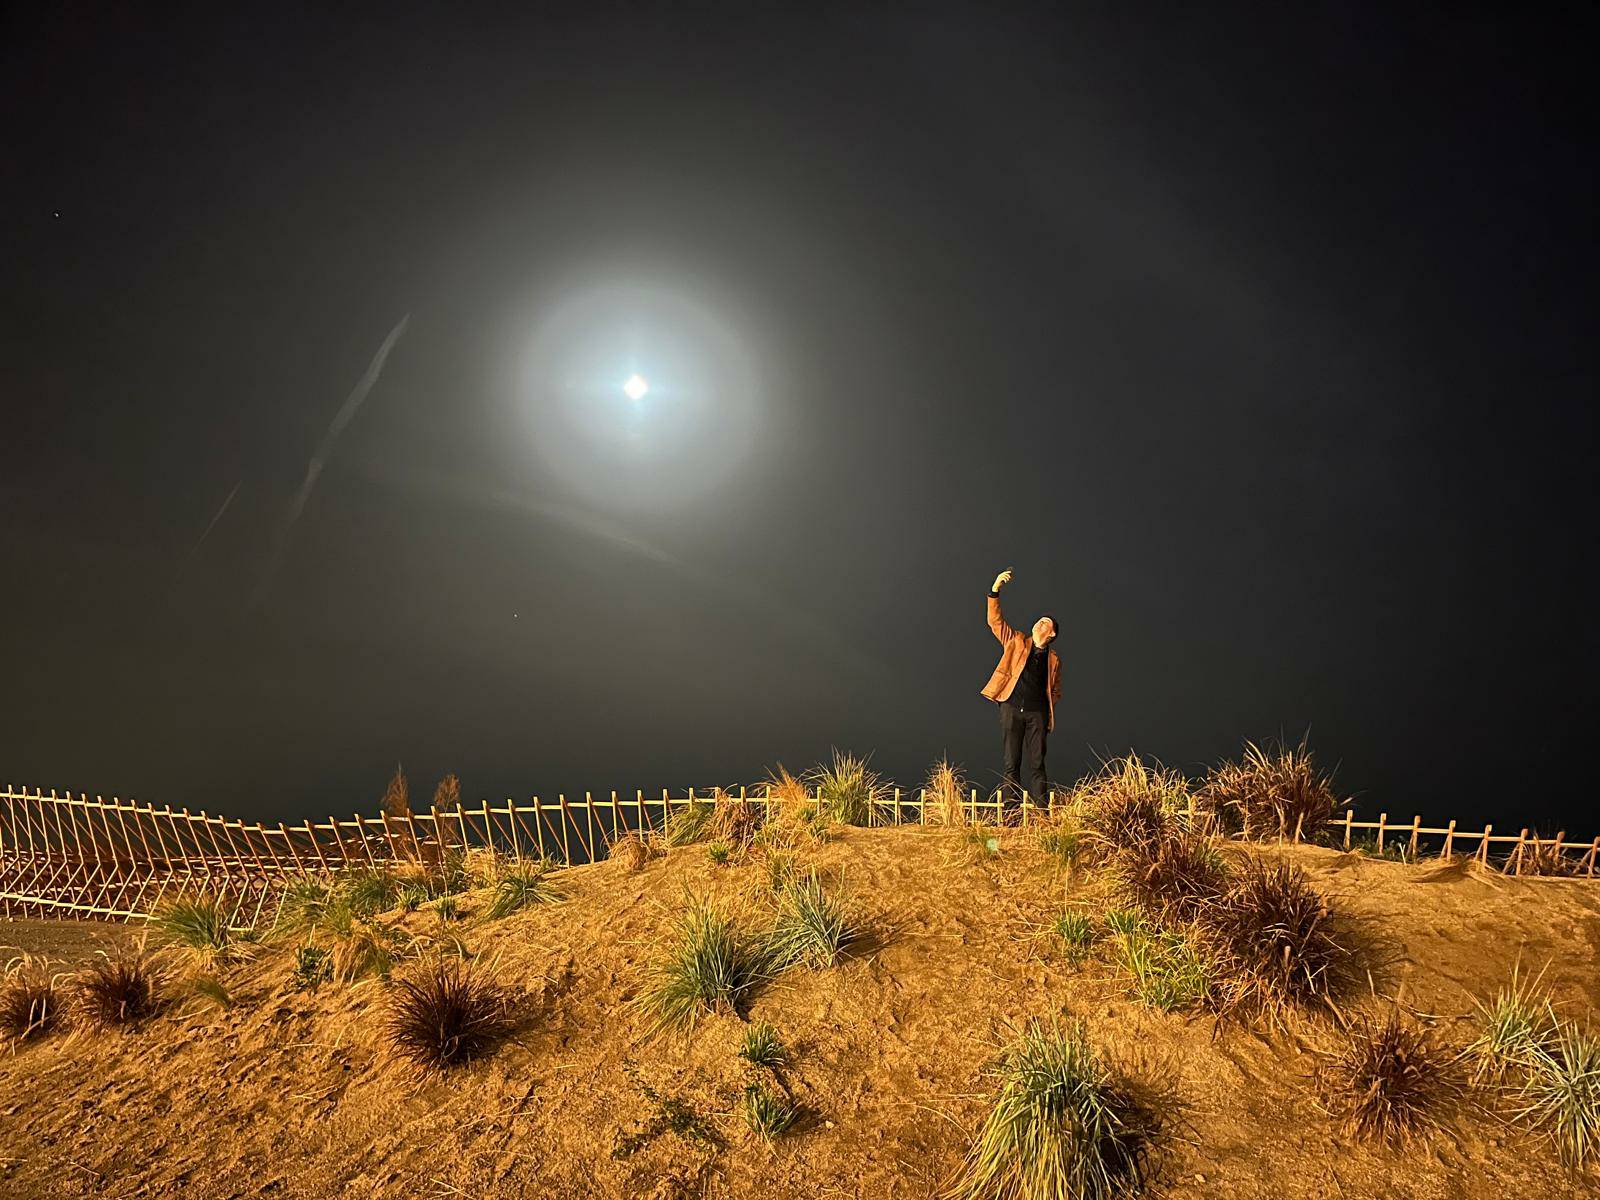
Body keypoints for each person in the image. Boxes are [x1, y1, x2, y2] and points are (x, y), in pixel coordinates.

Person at [979, 567, 1062, 818]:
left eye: (1045, 622)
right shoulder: (1016, 641)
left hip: (1037, 714)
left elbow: (1056, 690)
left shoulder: (1054, 660)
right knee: (1010, 764)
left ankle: (1042, 816)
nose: (1039, 622)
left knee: (1037, 765)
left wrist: (1048, 710)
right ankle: (1011, 816)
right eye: (1039, 620)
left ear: (1052, 633)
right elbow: (995, 622)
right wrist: (995, 589)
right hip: (1011, 707)